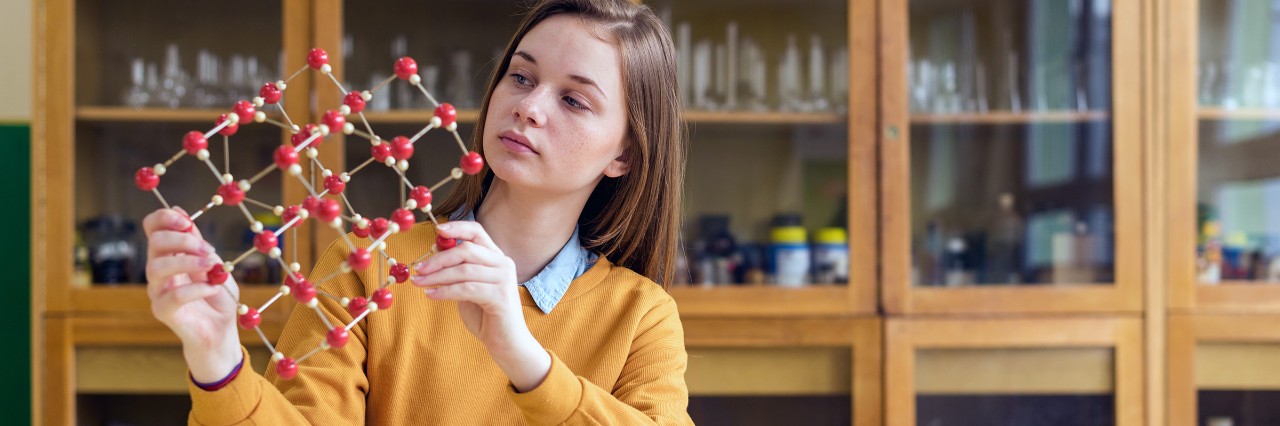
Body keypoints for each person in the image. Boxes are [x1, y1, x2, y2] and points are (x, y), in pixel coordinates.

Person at [141, 0, 690, 423]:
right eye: (521, 77)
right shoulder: (367, 266)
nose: (528, 106)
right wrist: (216, 360)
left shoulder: (642, 317)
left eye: (574, 100)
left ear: (624, 154)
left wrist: (522, 356)